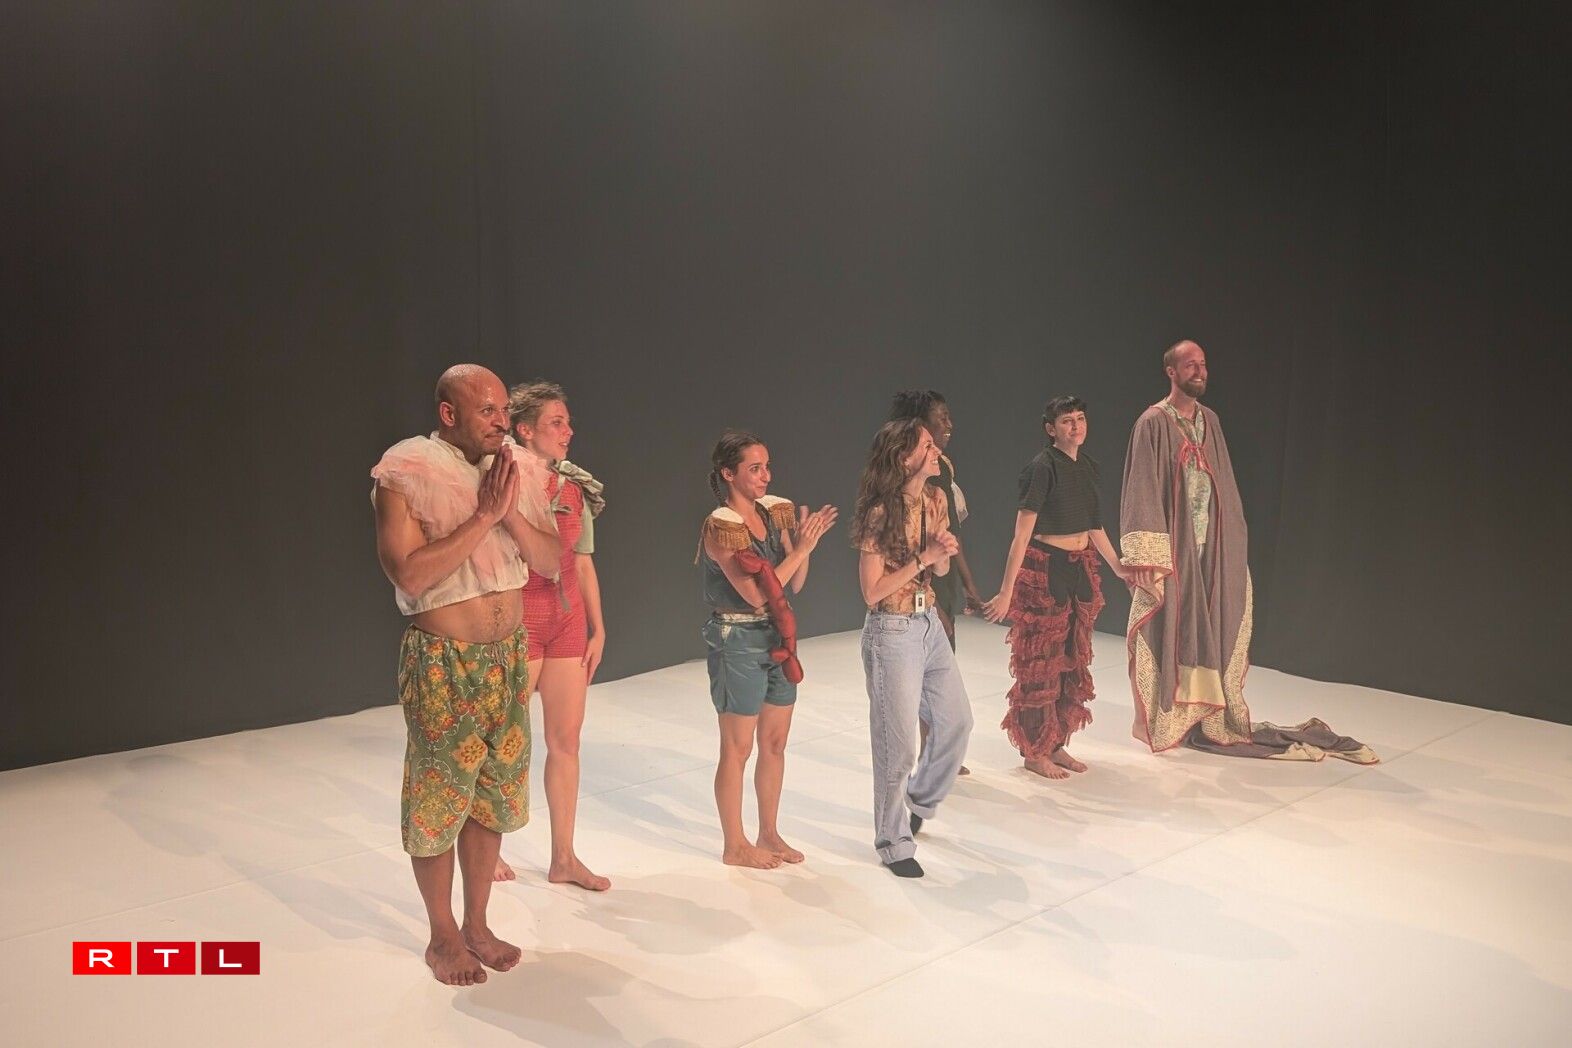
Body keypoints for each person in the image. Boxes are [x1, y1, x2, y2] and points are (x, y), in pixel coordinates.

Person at [370, 364, 560, 986]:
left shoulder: (514, 468)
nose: (501, 422)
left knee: (492, 795)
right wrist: (482, 516)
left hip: (507, 659)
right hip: (444, 662)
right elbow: (408, 574)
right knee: (438, 799)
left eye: (504, 410)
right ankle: (442, 935)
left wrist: (506, 512)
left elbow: (549, 560)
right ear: (449, 414)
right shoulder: (406, 469)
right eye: (487, 411)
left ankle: (477, 923)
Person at [1120, 341, 1378, 762]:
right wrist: (1145, 555)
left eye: (1203, 364)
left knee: (1206, 627)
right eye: (1190, 365)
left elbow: (1225, 482)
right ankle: (1145, 718)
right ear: (1171, 371)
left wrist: (1231, 542)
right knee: (1156, 622)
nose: (1200, 371)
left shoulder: (1211, 421)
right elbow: (1141, 486)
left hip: (1210, 546)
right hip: (1171, 548)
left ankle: (1200, 711)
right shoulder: (1152, 422)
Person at [489, 380, 610, 891]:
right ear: (524, 429)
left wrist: (598, 628)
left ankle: (564, 857)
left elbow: (581, 562)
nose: (568, 431)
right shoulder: (501, 481)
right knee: (504, 741)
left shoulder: (574, 487)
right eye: (556, 422)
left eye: (567, 422)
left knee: (566, 741)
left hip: (566, 622)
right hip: (520, 619)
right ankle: (487, 847)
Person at [698, 430, 838, 868]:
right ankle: (734, 844)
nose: (766, 476)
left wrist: (803, 546)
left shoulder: (771, 515)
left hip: (776, 635)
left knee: (774, 743)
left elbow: (795, 582)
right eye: (755, 468)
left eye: (766, 467)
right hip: (738, 637)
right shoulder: (721, 527)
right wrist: (803, 548)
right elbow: (755, 594)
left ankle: (769, 833)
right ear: (728, 473)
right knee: (737, 747)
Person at [984, 396, 1131, 779]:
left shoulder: (1087, 466)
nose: (1076, 426)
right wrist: (1006, 591)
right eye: (1067, 421)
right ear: (1051, 429)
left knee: (1071, 659)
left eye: (1080, 419)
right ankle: (1034, 751)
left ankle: (1056, 743)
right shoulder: (1042, 467)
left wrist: (1118, 567)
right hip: (1046, 566)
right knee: (1042, 663)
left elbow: (1094, 524)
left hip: (1079, 566)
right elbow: (1022, 533)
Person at [853, 418, 973, 879]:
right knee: (897, 746)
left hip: (928, 623)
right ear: (905, 458)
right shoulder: (879, 512)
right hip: (892, 629)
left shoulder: (936, 499)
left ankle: (920, 799)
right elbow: (871, 591)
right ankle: (893, 842)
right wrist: (924, 557)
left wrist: (941, 551)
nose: (936, 450)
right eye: (926, 445)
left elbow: (939, 572)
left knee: (957, 720)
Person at [890, 390, 981, 775]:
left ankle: (935, 753)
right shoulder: (914, 476)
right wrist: (937, 602)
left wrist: (967, 585)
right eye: (940, 418)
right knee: (928, 669)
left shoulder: (939, 468)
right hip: (919, 584)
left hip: (938, 578)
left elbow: (949, 535)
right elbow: (916, 544)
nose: (949, 425)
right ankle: (930, 758)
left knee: (937, 667)